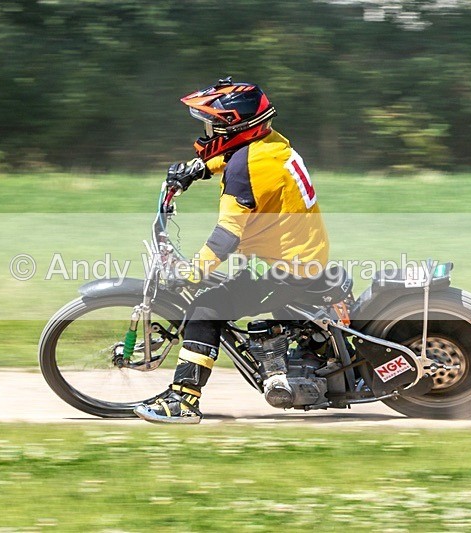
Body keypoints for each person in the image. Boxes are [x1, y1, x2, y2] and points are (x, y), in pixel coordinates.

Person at [134, 77, 329, 424]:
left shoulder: (245, 168)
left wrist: (190, 274)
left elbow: (226, 236)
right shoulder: (270, 143)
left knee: (207, 307)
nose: (207, 135)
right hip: (297, 254)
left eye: (212, 127)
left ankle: (182, 402)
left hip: (285, 266)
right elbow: (241, 158)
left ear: (232, 126)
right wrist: (199, 168)